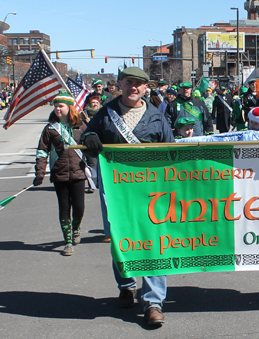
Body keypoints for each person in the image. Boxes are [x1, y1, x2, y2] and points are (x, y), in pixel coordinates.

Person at [81, 67, 174, 326]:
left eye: (139, 84)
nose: (134, 87)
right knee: (120, 239)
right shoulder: (105, 113)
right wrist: (89, 136)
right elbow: (88, 133)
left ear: (146, 88)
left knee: (155, 241)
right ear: (120, 85)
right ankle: (126, 284)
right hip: (116, 190)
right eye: (129, 82)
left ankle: (153, 302)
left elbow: (172, 149)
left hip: (151, 190)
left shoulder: (157, 116)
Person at [33, 91, 88, 256]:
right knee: (64, 208)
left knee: (79, 207)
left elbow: (91, 148)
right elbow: (42, 152)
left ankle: (76, 228)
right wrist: (39, 173)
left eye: (60, 106)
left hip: (78, 173)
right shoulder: (50, 129)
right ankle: (68, 241)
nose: (57, 109)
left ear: (70, 108)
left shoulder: (82, 126)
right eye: (55, 106)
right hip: (59, 173)